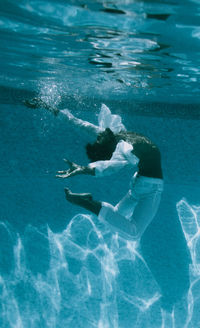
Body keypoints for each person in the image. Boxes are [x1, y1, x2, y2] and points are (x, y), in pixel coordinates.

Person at [54, 104, 164, 241]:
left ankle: (89, 202)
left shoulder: (113, 134)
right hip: (149, 189)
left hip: (140, 184)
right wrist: (82, 169)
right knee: (133, 233)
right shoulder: (122, 144)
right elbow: (107, 167)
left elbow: (83, 125)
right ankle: (86, 202)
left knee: (116, 215)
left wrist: (54, 110)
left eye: (99, 139)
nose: (99, 137)